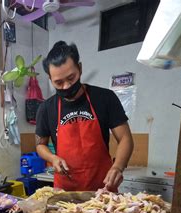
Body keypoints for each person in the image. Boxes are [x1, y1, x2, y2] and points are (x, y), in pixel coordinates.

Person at [35, 41, 134, 191]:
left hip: (102, 189)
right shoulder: (46, 108)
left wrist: (118, 167)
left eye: (71, 78)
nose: (66, 86)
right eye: (59, 82)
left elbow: (125, 138)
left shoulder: (105, 98)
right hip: (65, 192)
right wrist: (52, 158)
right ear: (50, 79)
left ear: (80, 69)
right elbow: (40, 144)